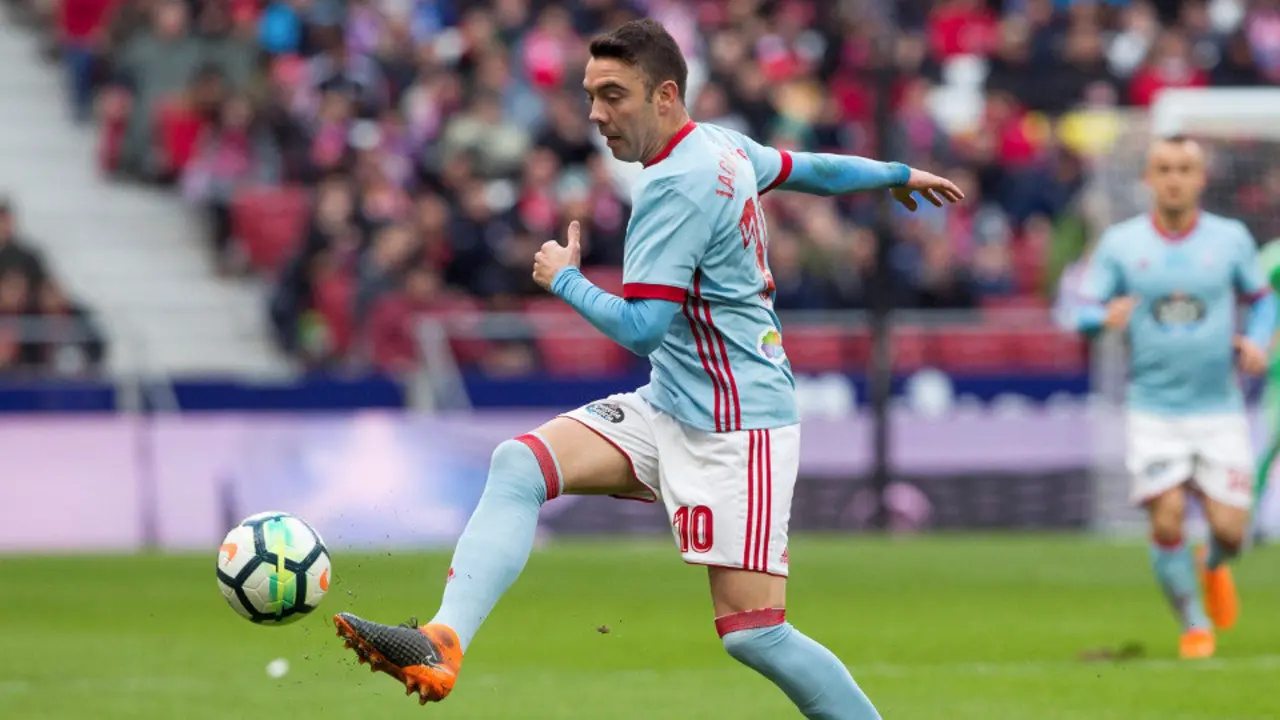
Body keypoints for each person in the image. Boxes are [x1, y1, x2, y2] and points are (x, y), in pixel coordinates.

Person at [332, 19, 962, 717]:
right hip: (672, 402)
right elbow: (809, 168)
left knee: (755, 635)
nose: (596, 114)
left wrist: (564, 279)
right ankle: (443, 642)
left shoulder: (677, 187)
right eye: (590, 95)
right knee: (520, 464)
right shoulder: (721, 145)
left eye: (613, 95)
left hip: (737, 427)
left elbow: (641, 329)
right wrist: (896, 174)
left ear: (664, 95)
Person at [1073, 135, 1276, 659]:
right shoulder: (1122, 245)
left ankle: (1214, 562)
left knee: (1232, 531)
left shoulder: (1230, 239)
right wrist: (1101, 317)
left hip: (1219, 409)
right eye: (1164, 169)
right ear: (1148, 178)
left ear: (1201, 179)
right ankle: (1194, 626)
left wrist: (1257, 340)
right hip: (1153, 409)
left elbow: (1262, 299)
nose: (1174, 179)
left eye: (1185, 169)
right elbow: (1080, 310)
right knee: (1166, 517)